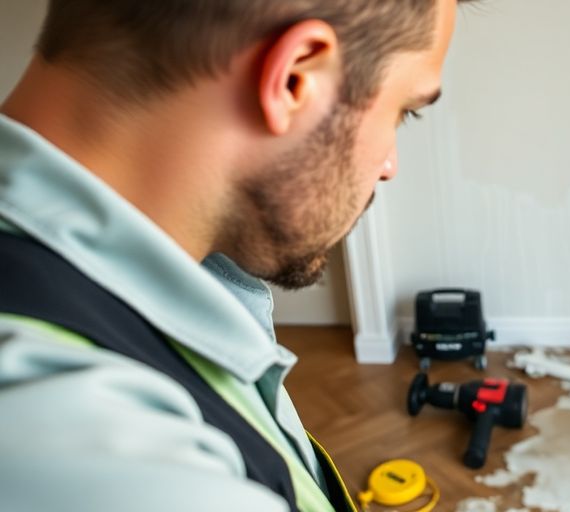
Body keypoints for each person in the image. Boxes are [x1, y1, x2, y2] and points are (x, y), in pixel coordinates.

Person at [0, 1, 470, 510]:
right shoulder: (136, 468)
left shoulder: (173, 271)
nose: (388, 165)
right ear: (295, 77)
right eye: (403, 109)